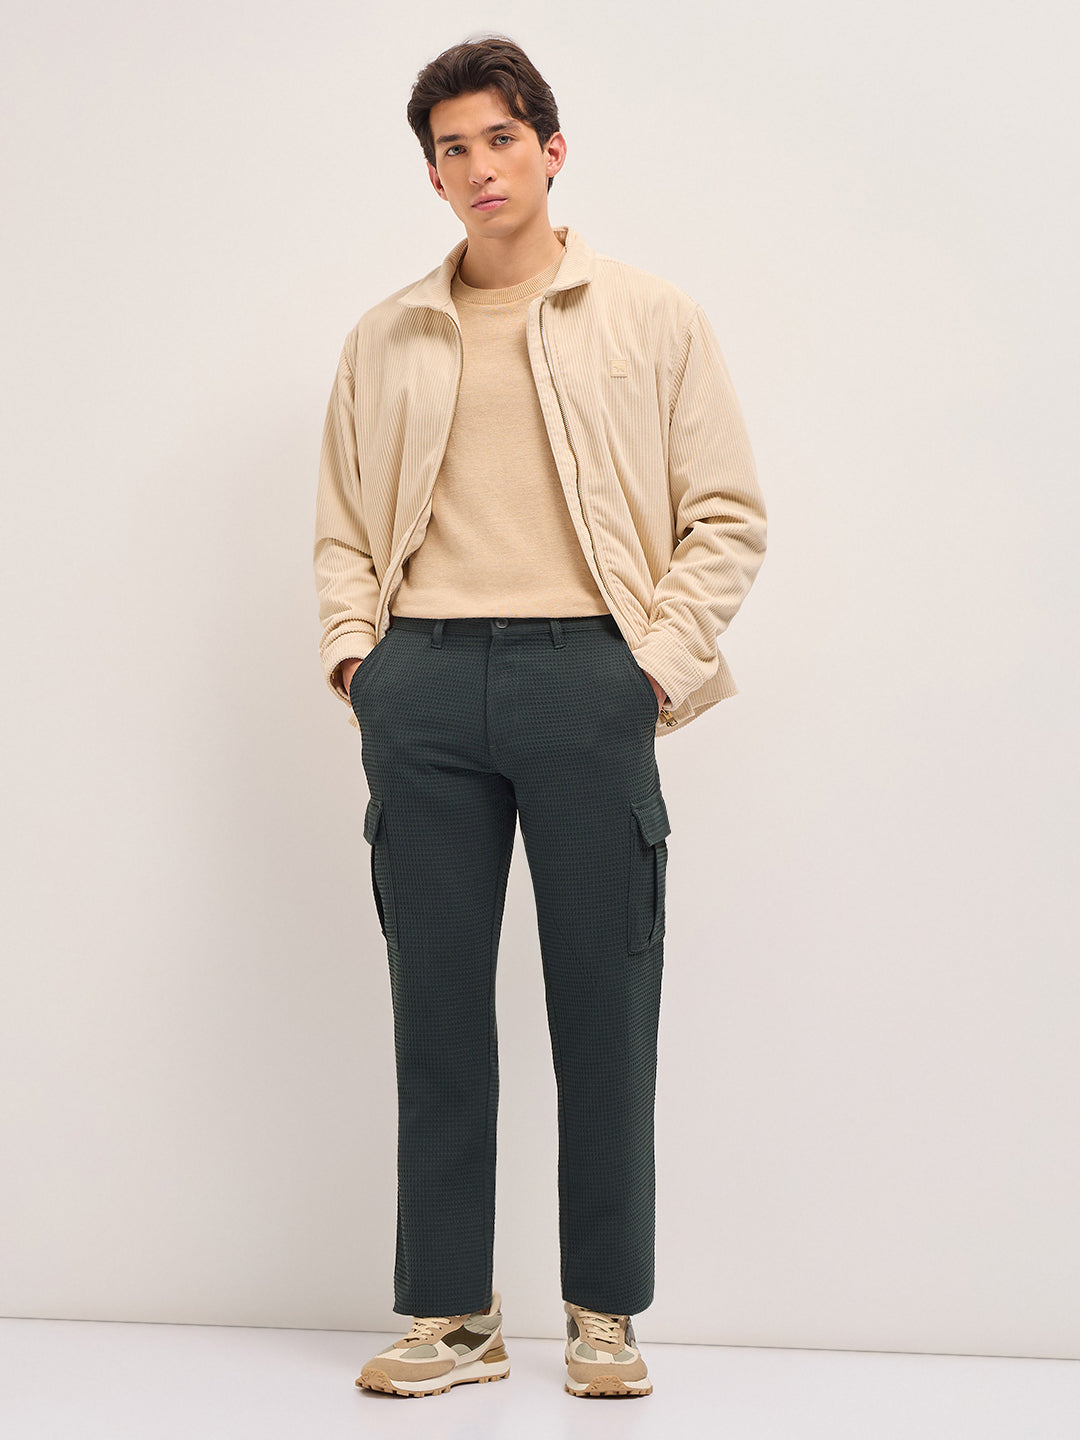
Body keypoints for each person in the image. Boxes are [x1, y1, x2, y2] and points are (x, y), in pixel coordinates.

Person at [313, 33, 767, 1400]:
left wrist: (651, 666)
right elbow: (342, 530)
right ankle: (454, 1315)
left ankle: (603, 1313)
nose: (478, 168)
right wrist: (361, 662)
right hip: (425, 685)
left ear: (550, 149)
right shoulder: (388, 336)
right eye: (451, 149)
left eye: (499, 139)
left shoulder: (651, 317)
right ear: (433, 174)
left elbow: (727, 515)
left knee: (605, 1000)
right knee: (438, 1009)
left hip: (589, 677)